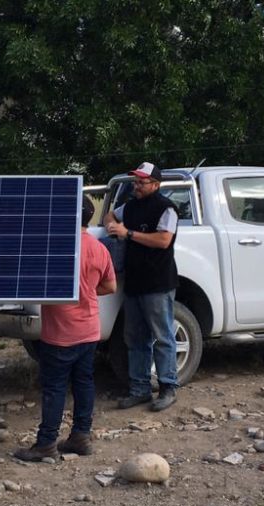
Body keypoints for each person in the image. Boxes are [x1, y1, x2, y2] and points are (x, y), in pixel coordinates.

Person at [15, 196, 116, 461]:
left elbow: (37, 288)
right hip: (90, 329)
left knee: (55, 388)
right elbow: (110, 286)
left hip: (60, 334)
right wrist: (86, 292)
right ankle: (81, 436)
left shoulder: (57, 249)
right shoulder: (98, 248)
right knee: (84, 383)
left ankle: (46, 442)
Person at [104, 162, 180, 412]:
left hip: (158, 282)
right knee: (135, 338)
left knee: (162, 336)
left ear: (156, 185)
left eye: (141, 182)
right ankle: (140, 389)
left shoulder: (166, 208)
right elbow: (112, 215)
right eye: (135, 181)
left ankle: (168, 387)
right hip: (134, 283)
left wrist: (128, 234)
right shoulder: (131, 205)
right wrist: (111, 225)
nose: (136, 186)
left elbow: (163, 240)